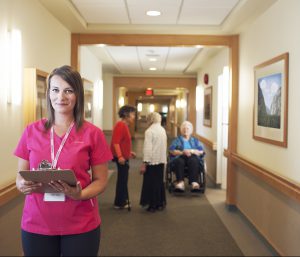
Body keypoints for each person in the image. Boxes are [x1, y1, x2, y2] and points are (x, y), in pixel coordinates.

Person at [14, 65, 112, 256]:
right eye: (55, 90)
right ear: (48, 93)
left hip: (80, 223)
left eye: (69, 90)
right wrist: (21, 185)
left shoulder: (93, 134)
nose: (61, 97)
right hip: (37, 222)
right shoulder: (31, 131)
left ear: (78, 95)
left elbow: (101, 180)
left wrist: (80, 194)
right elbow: (20, 175)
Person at [140, 112, 167, 212]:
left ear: (150, 120)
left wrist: (144, 163)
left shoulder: (149, 131)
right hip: (161, 160)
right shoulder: (162, 130)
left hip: (152, 161)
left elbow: (147, 148)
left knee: (150, 183)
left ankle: (152, 205)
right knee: (159, 182)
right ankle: (160, 203)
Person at [111, 105, 136, 209]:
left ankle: (122, 200)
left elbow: (122, 143)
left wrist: (129, 152)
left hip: (124, 157)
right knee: (122, 179)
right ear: (126, 114)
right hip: (121, 158)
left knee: (124, 179)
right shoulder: (121, 125)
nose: (134, 116)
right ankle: (119, 202)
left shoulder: (124, 125)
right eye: (132, 114)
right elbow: (115, 143)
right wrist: (120, 156)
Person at [169, 121, 205, 192]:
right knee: (179, 161)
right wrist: (182, 152)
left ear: (191, 130)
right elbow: (171, 150)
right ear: (181, 130)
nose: (185, 130)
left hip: (192, 157)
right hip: (180, 156)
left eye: (187, 128)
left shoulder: (195, 140)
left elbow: (201, 151)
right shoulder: (177, 140)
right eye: (184, 128)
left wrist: (192, 151)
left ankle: (194, 182)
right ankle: (180, 182)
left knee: (193, 160)